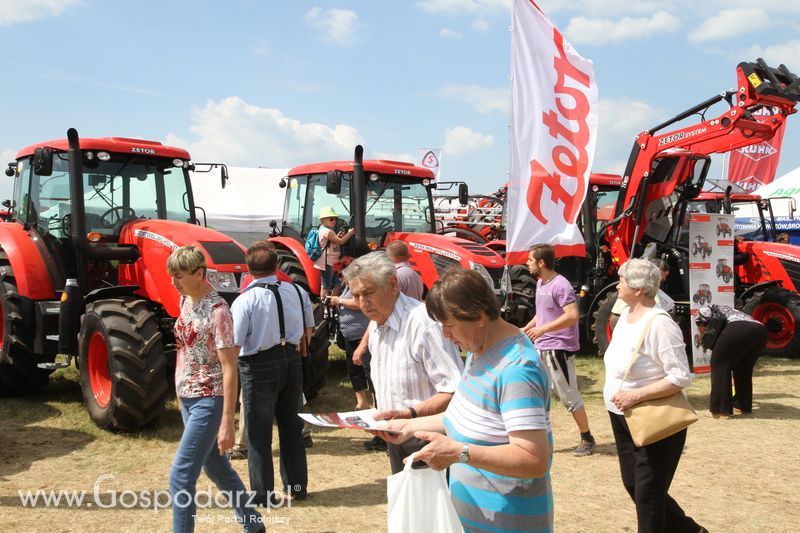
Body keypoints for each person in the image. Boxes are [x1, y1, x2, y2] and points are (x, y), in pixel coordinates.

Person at [376, 269, 553, 531]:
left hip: (508, 523)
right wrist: (409, 424)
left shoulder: (517, 368)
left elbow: (534, 459)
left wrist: (459, 453)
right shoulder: (478, 350)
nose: (446, 335)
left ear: (479, 317)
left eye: (449, 325)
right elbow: (460, 416)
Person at [166, 245, 263, 533]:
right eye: (172, 275)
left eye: (179, 276)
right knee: (216, 468)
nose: (174, 282)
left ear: (199, 274)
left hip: (209, 399)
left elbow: (230, 368)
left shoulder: (219, 311)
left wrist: (228, 423)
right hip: (188, 397)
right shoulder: (185, 301)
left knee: (180, 476)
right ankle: (254, 524)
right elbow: (183, 349)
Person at [604, 259, 704, 533]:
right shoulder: (625, 315)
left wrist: (636, 396)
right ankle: (688, 530)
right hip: (622, 415)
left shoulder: (660, 324)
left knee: (648, 494)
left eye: (622, 280)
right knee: (635, 485)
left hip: (653, 419)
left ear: (638, 289)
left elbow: (681, 376)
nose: (618, 284)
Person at [342, 251, 463, 473]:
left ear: (393, 284)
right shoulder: (378, 324)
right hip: (396, 437)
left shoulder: (424, 324)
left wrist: (409, 415)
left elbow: (454, 392)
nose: (362, 303)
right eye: (356, 295)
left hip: (430, 440)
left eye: (368, 293)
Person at [231, 241, 314, 504]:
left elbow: (235, 342)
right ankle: (297, 488)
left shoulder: (245, 300)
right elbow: (308, 330)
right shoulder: (297, 292)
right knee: (292, 428)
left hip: (258, 364)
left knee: (258, 433)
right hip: (291, 359)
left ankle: (263, 494)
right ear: (276, 266)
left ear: (248, 269)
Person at [522, 243, 596, 456]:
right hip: (542, 346)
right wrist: (527, 328)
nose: (527, 263)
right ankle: (540, 437)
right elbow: (544, 313)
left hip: (557, 348)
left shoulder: (560, 285)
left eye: (530, 260)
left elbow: (572, 315)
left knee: (569, 396)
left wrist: (543, 329)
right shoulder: (540, 284)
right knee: (538, 392)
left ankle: (587, 438)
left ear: (541, 262)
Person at [695, 305, 767, 417]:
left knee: (719, 365)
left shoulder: (702, 312)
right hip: (760, 331)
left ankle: (719, 409)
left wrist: (704, 338)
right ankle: (742, 405)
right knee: (743, 369)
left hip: (737, 328)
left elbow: (702, 324)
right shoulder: (727, 310)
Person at [330, 282, 373, 411]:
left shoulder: (359, 285)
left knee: (369, 371)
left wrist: (340, 301)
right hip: (350, 336)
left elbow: (359, 303)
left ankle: (377, 402)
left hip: (362, 335)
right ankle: (362, 403)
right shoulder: (346, 287)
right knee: (353, 370)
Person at [610, 258, 674, 330]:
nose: (662, 280)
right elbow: (656, 303)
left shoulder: (636, 282)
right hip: (622, 317)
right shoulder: (648, 285)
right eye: (661, 278)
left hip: (617, 316)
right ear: (654, 271)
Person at [314, 206, 355, 298]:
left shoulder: (325, 231)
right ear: (323, 220)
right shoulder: (328, 232)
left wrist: (337, 236)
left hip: (331, 262)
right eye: (331, 219)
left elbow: (332, 242)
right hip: (327, 263)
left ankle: (332, 303)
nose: (334, 221)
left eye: (335, 219)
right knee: (326, 286)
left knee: (337, 284)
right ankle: (325, 306)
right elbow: (341, 242)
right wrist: (349, 233)